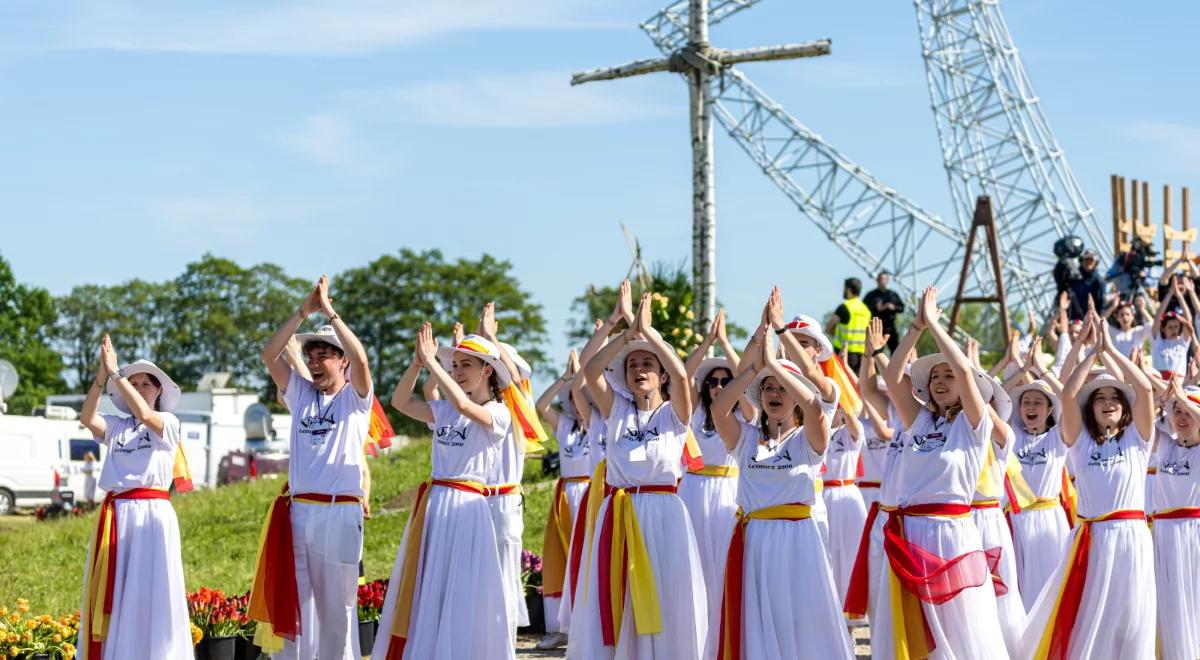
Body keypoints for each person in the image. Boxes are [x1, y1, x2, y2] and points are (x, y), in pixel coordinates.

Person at [568, 282, 706, 659]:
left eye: (647, 364)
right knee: (618, 595)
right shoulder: (617, 409)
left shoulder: (674, 413)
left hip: (663, 514)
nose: (639, 368)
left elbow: (680, 376)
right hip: (619, 511)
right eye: (632, 364)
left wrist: (650, 337)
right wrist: (624, 331)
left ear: (660, 374)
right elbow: (590, 369)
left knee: (664, 594)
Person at [871, 286, 1008, 659]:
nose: (943, 382)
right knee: (915, 628)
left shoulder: (972, 423)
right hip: (909, 533)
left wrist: (934, 323)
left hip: (953, 533)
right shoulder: (919, 420)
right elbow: (895, 374)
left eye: (948, 376)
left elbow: (965, 368)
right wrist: (915, 327)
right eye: (935, 378)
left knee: (960, 626)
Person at [709, 325, 855, 660]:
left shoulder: (808, 439)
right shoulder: (745, 437)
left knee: (799, 620)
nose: (775, 394)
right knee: (758, 619)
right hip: (754, 537)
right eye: (768, 389)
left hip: (797, 540)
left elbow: (817, 409)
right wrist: (755, 370)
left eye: (783, 389)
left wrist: (776, 365)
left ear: (796, 395)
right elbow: (719, 410)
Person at [1020, 310, 1156, 659]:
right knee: (1091, 615)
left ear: (1124, 407)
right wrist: (1084, 347)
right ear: (1090, 408)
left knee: (1131, 616)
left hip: (1131, 537)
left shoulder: (1138, 439)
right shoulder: (1080, 442)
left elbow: (1142, 387)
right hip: (1092, 538)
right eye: (1100, 397)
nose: (1108, 402)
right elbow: (1067, 395)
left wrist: (1108, 349)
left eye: (1114, 397)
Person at [250, 275, 373, 660]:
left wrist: (331, 313)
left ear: (343, 362)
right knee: (294, 604)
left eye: (325, 355)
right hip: (300, 513)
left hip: (340, 512)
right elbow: (269, 354)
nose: (316, 361)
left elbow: (364, 359)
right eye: (312, 354)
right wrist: (305, 311)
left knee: (337, 610)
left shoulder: (356, 398)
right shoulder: (301, 393)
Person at [371, 325, 513, 659]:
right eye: (455, 365)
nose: (457, 371)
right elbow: (400, 401)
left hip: (468, 507)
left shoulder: (498, 413)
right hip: (435, 504)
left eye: (466, 365)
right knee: (428, 583)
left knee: (461, 586)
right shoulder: (443, 410)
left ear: (487, 370)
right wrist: (418, 364)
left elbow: (465, 407)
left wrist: (435, 365)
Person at [77, 335, 192, 659]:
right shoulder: (117, 426)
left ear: (158, 391)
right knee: (117, 592)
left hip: (152, 515)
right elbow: (88, 418)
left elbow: (146, 416)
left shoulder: (167, 423)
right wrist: (103, 376)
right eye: (135, 383)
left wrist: (117, 375)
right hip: (117, 516)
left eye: (146, 384)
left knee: (152, 592)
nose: (140, 388)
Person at [679, 308, 750, 660]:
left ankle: (722, 640)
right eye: (713, 381)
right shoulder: (692, 411)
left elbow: (746, 380)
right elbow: (682, 376)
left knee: (722, 565)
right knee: (692, 566)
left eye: (725, 381)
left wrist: (725, 344)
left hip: (727, 492)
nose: (719, 386)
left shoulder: (741, 414)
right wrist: (708, 342)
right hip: (692, 488)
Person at [534, 350, 590, 651]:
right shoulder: (565, 426)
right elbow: (541, 405)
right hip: (565, 496)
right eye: (574, 398)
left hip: (590, 493)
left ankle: (583, 625)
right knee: (561, 559)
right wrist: (565, 378)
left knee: (585, 559)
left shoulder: (601, 422)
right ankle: (559, 627)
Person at [1152, 381, 1200, 660]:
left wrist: (1182, 396)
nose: (1182, 418)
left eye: (1189, 413)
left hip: (1193, 534)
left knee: (1193, 600)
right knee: (1168, 603)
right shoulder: (1166, 446)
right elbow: (1139, 414)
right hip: (1163, 534)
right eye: (1177, 411)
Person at [826, 277, 871, 371]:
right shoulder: (866, 310)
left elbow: (828, 327)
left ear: (848, 290)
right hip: (862, 355)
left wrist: (836, 334)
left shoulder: (845, 307)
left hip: (844, 353)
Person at [863, 271, 904, 354]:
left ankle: (895, 367)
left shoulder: (893, 294)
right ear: (877, 280)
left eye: (884, 279)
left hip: (890, 327)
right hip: (876, 327)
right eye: (880, 279)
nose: (882, 281)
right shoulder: (871, 295)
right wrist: (877, 308)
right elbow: (863, 308)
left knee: (896, 352)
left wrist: (893, 307)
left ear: (887, 280)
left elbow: (901, 308)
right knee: (875, 351)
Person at [1068, 249, 1105, 321]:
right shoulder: (1073, 277)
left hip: (1090, 321)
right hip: (1072, 321)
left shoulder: (1099, 281)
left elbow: (1101, 305)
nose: (1089, 262)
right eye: (1086, 259)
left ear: (1095, 262)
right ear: (1082, 261)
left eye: (1091, 260)